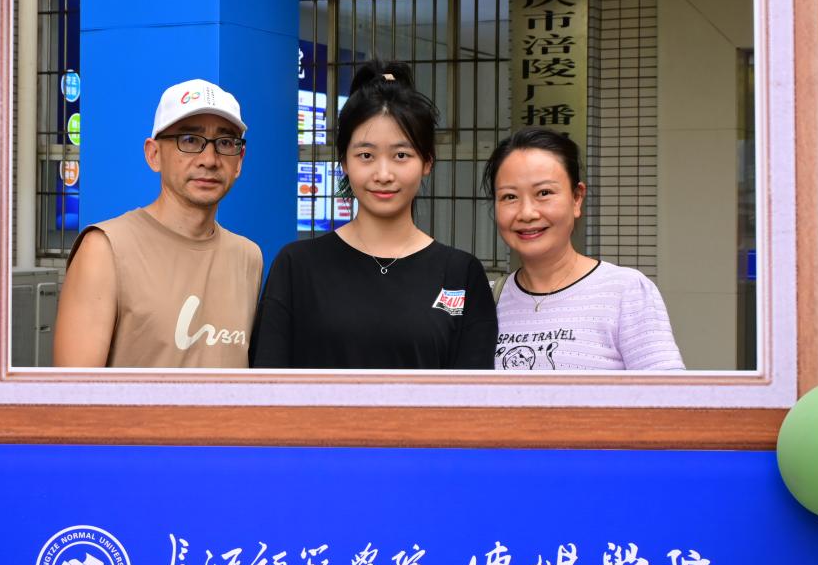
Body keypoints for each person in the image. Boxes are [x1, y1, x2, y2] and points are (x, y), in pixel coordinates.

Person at [250, 60, 495, 369]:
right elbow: (267, 383)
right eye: (366, 155)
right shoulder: (296, 266)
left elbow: (475, 391)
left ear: (427, 162)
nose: (383, 174)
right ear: (344, 162)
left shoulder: (461, 273)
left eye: (401, 155)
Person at [53, 79, 262, 367]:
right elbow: (73, 390)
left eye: (225, 143)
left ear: (239, 161)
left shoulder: (248, 257)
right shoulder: (105, 249)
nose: (209, 159)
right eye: (190, 140)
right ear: (153, 154)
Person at [483, 127, 684, 371]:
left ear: (577, 198)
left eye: (544, 193)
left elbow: (667, 392)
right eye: (510, 197)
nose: (527, 213)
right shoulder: (486, 299)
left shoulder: (625, 291)